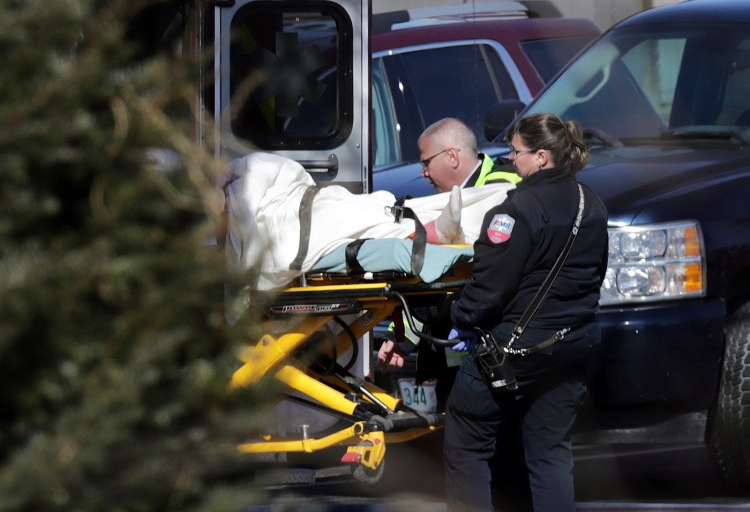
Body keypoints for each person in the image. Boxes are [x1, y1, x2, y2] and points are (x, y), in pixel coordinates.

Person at [443, 113, 609, 512]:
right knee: (550, 452)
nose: (511, 160)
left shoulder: (516, 210)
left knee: (466, 441)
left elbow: (488, 289)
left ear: (540, 157)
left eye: (515, 152)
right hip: (573, 344)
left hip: (516, 349)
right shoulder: (593, 202)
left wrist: (458, 317)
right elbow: (595, 274)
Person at [378, 117, 520, 409]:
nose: (422, 172)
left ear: (452, 156)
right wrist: (402, 337)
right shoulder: (448, 205)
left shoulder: (503, 185)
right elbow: (431, 277)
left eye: (426, 162)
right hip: (454, 343)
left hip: (495, 342)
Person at [223, 150, 514, 290]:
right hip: (291, 225)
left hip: (303, 203)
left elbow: (277, 172)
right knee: (360, 218)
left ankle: (432, 226)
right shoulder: (231, 198)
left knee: (379, 206)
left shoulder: (241, 171)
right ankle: (427, 231)